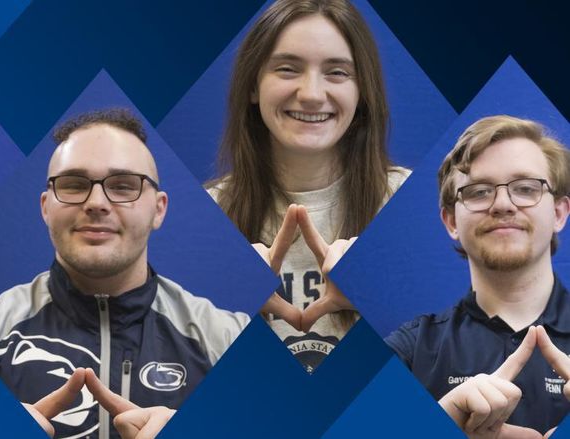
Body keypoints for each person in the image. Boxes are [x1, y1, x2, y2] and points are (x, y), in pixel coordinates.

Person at [0, 109, 249, 439]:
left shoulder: (230, 341)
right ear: (45, 207)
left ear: (159, 208)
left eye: (123, 186)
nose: (96, 202)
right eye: (74, 184)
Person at [207, 0, 409, 373]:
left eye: (337, 72)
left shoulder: (413, 205)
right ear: (253, 85)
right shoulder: (205, 216)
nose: (312, 93)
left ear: (362, 91)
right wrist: (228, 299)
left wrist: (375, 297)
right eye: (287, 69)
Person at [386, 115, 570, 437]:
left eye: (526, 188)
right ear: (451, 221)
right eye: (478, 192)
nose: (502, 204)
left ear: (558, 213)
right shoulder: (411, 350)